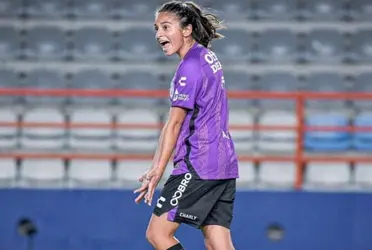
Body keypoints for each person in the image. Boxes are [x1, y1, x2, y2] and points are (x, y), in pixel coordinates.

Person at [134, 1, 239, 250]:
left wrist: (158, 171)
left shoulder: (188, 68)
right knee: (217, 242)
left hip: (198, 163)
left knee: (158, 234)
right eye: (157, 28)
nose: (159, 34)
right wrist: (156, 165)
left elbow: (175, 124)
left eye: (166, 26)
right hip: (224, 163)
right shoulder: (207, 56)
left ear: (186, 30)